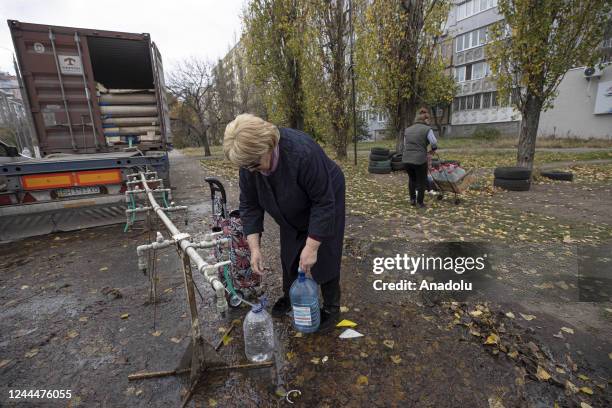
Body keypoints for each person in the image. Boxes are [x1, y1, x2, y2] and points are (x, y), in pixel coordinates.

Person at [223, 114, 346, 333]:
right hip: (288, 201)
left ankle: (331, 308)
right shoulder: (250, 164)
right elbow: (249, 205)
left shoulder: (303, 152)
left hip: (326, 195)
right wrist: (254, 249)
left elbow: (323, 203)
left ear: (267, 146)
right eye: (247, 167)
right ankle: (291, 296)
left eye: (254, 164)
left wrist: (311, 247)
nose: (252, 170)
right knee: (290, 249)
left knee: (324, 251)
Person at [402, 107, 438, 208]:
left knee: (412, 179)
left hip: (406, 159)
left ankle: (412, 200)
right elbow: (434, 142)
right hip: (419, 159)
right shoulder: (427, 129)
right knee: (421, 181)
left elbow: (405, 144)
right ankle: (420, 203)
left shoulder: (408, 129)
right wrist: (433, 150)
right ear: (426, 119)